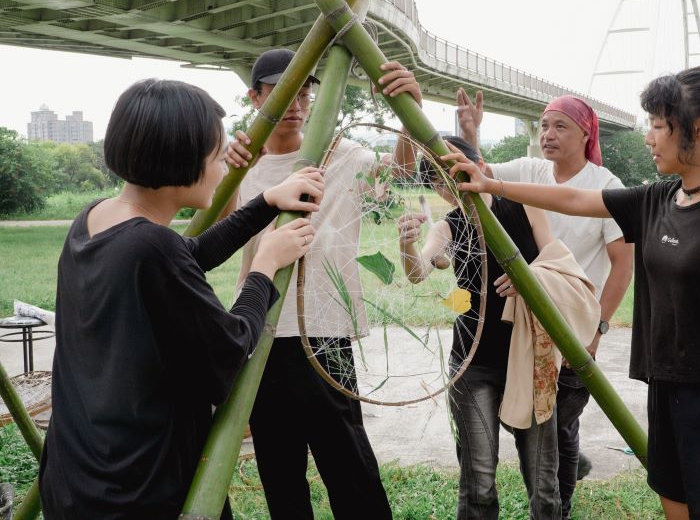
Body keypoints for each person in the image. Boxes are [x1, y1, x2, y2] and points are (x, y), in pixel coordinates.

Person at [447, 62, 700, 520]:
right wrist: (492, 184)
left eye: (658, 126)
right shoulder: (659, 199)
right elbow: (573, 199)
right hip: (665, 392)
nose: (648, 137)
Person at [39, 79, 325, 519]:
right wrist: (263, 267)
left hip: (78, 475)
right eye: (217, 156)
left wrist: (266, 202)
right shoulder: (151, 247)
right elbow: (229, 353)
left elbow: (187, 256)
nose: (220, 170)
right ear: (180, 159)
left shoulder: (95, 219)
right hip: (141, 490)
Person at [225, 48, 421, 519]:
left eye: (305, 91)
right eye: (280, 91)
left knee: (348, 462)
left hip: (325, 329)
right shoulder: (242, 164)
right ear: (255, 98)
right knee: (279, 466)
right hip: (261, 331)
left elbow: (399, 172)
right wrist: (227, 166)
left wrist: (408, 113)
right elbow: (225, 233)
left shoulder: (342, 154)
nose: (295, 102)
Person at [456, 89, 634, 517]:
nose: (548, 135)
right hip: (519, 323)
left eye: (560, 127)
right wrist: (471, 134)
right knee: (535, 424)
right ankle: (564, 479)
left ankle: (561, 503)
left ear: (585, 132)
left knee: (561, 423)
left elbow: (622, 265)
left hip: (569, 324)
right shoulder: (530, 170)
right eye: (543, 126)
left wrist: (597, 330)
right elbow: (478, 180)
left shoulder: (605, 186)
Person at [397, 136, 561, 519]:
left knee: (543, 485)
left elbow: (554, 261)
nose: (447, 184)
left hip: (530, 357)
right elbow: (420, 271)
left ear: (479, 165)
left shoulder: (524, 207)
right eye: (437, 180)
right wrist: (406, 243)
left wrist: (528, 277)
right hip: (473, 364)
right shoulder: (449, 225)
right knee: (479, 482)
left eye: (452, 171)